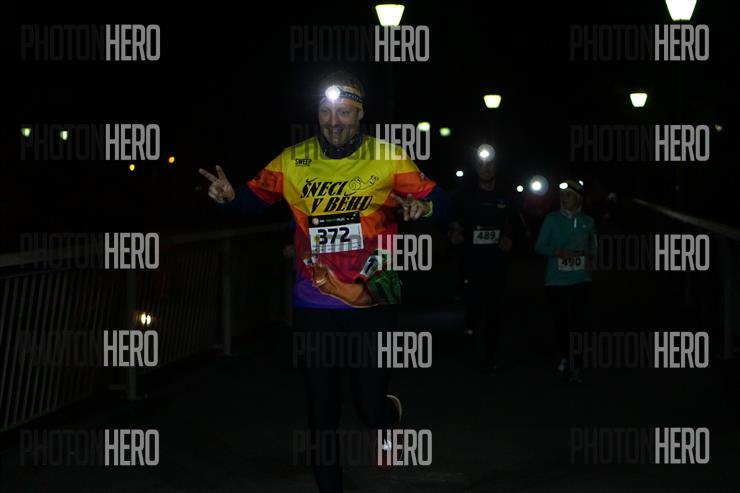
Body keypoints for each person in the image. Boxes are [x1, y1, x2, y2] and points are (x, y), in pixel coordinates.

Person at [199, 71, 445, 493]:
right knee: (321, 407)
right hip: (314, 302)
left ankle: (385, 420)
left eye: (344, 112)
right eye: (326, 111)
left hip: (374, 298)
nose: (334, 122)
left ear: (360, 114)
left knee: (367, 405)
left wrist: (427, 210)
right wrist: (229, 199)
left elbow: (440, 200)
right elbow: (251, 202)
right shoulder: (293, 160)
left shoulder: (389, 157)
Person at [448, 149, 512, 375]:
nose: (486, 169)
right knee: (473, 307)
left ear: (496, 168)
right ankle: (470, 329)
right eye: (482, 165)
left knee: (494, 310)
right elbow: (450, 218)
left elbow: (516, 224)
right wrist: (454, 232)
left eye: (490, 165)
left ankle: (491, 356)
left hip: (496, 263)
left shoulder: (506, 195)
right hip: (471, 262)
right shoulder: (464, 195)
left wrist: (509, 238)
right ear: (476, 168)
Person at [534, 179, 595, 383]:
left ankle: (576, 362)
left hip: (581, 278)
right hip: (556, 280)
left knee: (578, 320)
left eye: (568, 195)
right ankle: (564, 355)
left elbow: (593, 246)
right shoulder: (551, 219)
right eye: (561, 195)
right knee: (561, 321)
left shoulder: (588, 221)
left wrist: (591, 259)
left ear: (578, 198)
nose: (563, 198)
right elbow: (539, 246)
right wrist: (558, 252)